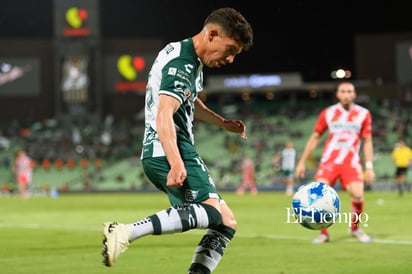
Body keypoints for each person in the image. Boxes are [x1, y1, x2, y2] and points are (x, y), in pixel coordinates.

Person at [101, 7, 253, 273]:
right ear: (212, 34)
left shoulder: (185, 56)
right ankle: (125, 232)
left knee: (226, 222)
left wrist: (221, 122)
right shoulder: (182, 63)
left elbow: (189, 100)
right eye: (229, 49)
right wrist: (176, 162)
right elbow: (163, 115)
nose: (230, 59)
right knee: (215, 213)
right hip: (171, 149)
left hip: (161, 150)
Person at [295, 81, 375, 244]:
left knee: (358, 195)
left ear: (354, 94)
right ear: (337, 94)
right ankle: (323, 233)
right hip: (329, 162)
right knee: (318, 197)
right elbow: (315, 137)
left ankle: (355, 228)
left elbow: (367, 141)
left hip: (351, 162)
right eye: (343, 91)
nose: (346, 94)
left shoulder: (363, 114)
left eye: (349, 91)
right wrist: (302, 162)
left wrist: (369, 166)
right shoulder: (328, 113)